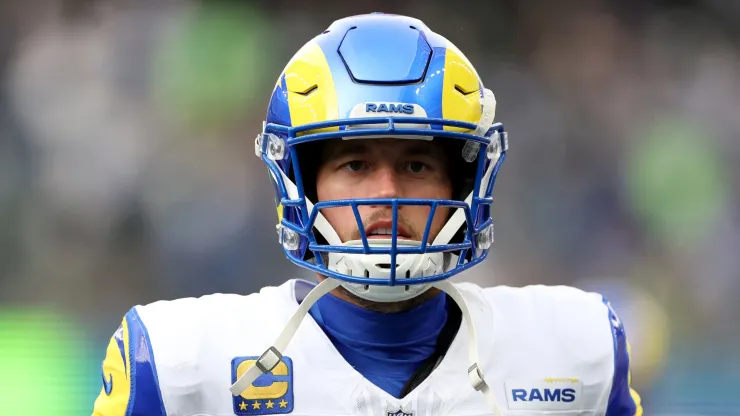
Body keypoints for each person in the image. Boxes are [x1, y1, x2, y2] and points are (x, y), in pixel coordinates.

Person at [92, 12, 643, 416]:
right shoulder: (174, 366)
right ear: (303, 184)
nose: (387, 193)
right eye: (355, 164)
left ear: (465, 182)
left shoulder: (577, 351)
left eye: (418, 166)